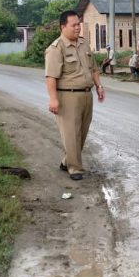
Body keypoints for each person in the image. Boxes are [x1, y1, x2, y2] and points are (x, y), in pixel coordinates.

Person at [45, 10, 106, 181]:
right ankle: (74, 168)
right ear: (63, 27)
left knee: (82, 132)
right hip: (67, 96)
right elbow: (51, 76)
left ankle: (67, 161)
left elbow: (93, 68)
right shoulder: (56, 48)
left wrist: (99, 86)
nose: (77, 28)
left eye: (78, 24)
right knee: (71, 134)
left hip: (86, 95)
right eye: (73, 25)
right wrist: (53, 99)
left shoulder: (84, 44)